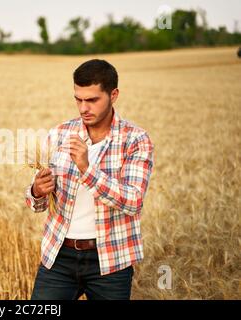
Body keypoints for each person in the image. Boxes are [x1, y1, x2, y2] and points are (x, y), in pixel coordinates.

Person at [25, 59, 155, 300]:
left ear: (113, 94)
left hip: (111, 260)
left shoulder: (136, 140)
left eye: (92, 100)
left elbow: (133, 201)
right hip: (59, 256)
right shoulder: (60, 134)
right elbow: (37, 204)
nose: (83, 108)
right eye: (78, 99)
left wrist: (87, 167)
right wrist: (36, 191)